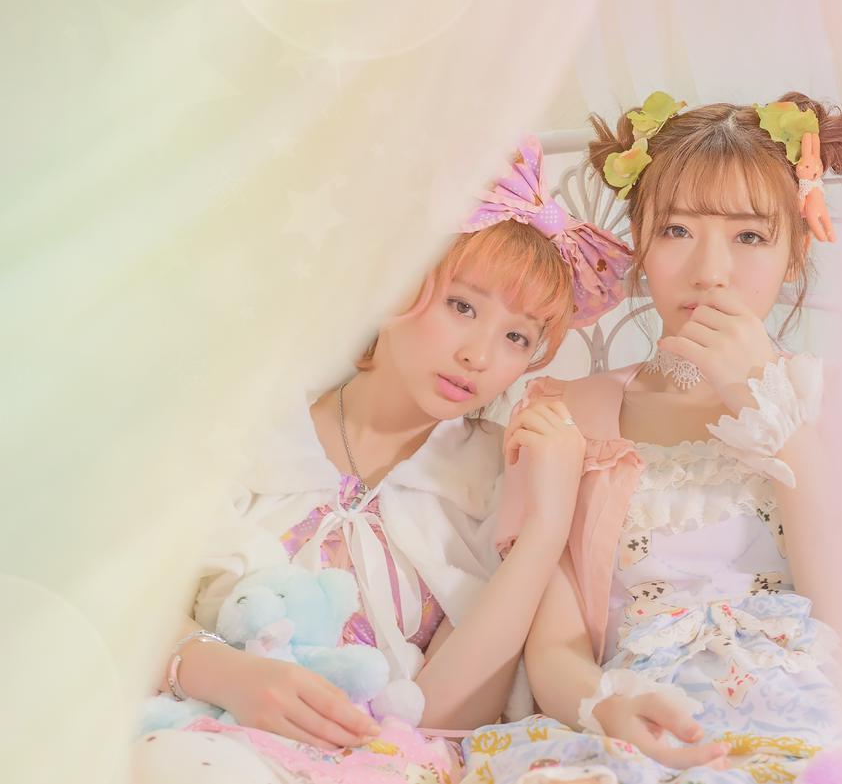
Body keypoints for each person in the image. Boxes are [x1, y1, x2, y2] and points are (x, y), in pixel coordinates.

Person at [132, 136, 632, 784]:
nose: (480, 355)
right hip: (195, 739)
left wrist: (543, 531)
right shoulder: (251, 428)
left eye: (517, 337)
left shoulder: (493, 476)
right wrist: (224, 672)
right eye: (461, 306)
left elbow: (451, 718)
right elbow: (124, 597)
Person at [470, 92, 842, 784]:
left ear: (796, 252)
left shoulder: (837, 405)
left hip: (807, 714)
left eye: (749, 236)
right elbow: (554, 643)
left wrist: (770, 405)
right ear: (639, 243)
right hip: (637, 721)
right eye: (677, 230)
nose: (710, 271)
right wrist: (605, 706)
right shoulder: (567, 413)